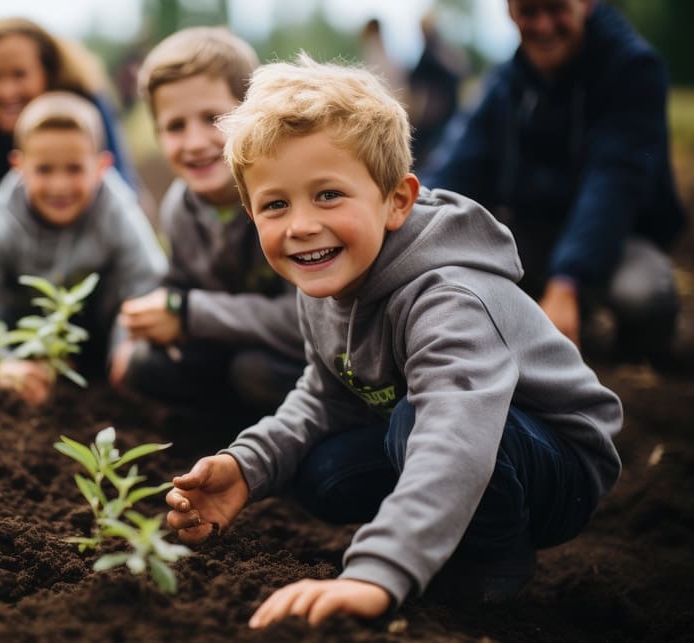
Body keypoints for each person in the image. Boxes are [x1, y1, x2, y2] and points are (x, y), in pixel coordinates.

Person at [165, 54, 623, 627]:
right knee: (324, 474)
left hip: (553, 463)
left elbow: (454, 435)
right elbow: (322, 395)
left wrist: (376, 570)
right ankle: (431, 529)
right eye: (275, 204)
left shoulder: (447, 297)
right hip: (445, 431)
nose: (302, 224)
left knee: (415, 424)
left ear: (397, 201)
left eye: (328, 195)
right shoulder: (322, 286)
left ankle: (492, 558)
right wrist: (247, 465)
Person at [421, 0, 686, 366]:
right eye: (530, 11)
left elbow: (612, 183)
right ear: (511, 13)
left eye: (557, 9)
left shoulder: (633, 68)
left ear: (586, 4)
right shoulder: (505, 81)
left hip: (619, 235)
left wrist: (568, 281)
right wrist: (411, 216)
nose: (544, 25)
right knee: (453, 261)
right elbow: (458, 164)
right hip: (533, 232)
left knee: (643, 294)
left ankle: (636, 351)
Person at [111, 26, 305, 422]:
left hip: (297, 357)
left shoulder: (285, 197)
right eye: (175, 127)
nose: (195, 141)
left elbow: (301, 320)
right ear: (157, 135)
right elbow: (180, 285)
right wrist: (141, 322)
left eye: (214, 118)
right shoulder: (180, 208)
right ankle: (213, 429)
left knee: (254, 372)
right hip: (229, 344)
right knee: (146, 364)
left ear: (252, 114)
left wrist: (187, 313)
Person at [0, 92, 167, 406]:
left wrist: (128, 353)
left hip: (99, 354)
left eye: (74, 169)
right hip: (22, 351)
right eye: (44, 170)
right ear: (18, 166)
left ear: (102, 167)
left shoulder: (117, 208)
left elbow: (148, 289)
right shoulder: (0, 215)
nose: (59, 186)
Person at [0, 17, 145, 292]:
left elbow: (121, 198)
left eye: (19, 75)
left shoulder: (86, 110)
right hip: (14, 266)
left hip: (92, 265)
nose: (6, 91)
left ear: (48, 72)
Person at [406, 12, 467, 167]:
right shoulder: (445, 53)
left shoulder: (429, 55)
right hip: (450, 112)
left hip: (434, 117)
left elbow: (418, 87)